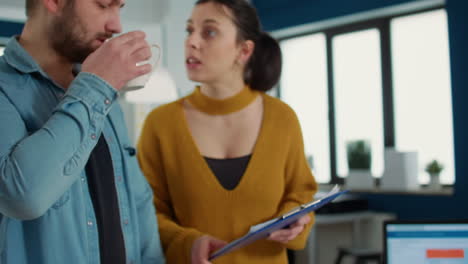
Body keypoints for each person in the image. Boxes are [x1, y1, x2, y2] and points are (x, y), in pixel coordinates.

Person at [137, 0, 318, 263]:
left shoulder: (282, 119)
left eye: (209, 32)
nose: (192, 42)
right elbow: (147, 213)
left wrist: (297, 220)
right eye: (189, 31)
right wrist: (187, 243)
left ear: (243, 51)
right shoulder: (161, 124)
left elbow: (301, 196)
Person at [0, 0, 165, 263]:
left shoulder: (107, 100)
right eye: (103, 5)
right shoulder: (4, 90)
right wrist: (97, 85)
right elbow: (22, 196)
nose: (116, 25)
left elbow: (138, 206)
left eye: (119, 8)